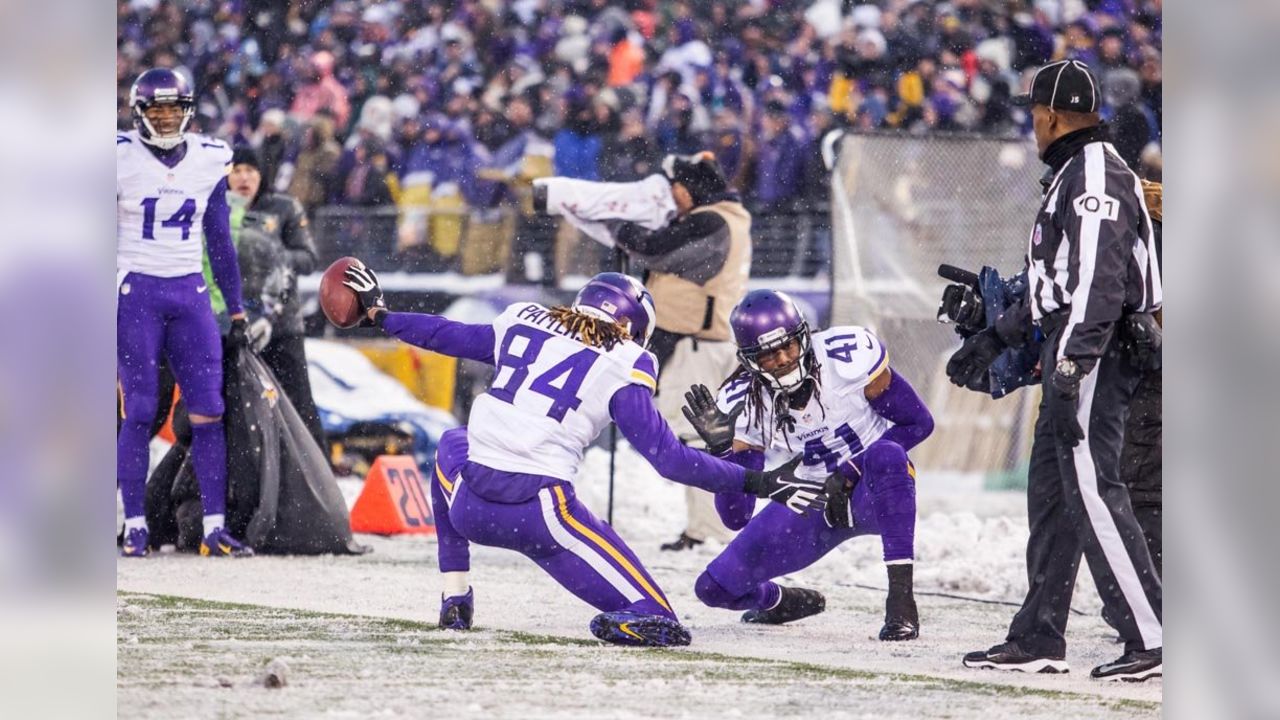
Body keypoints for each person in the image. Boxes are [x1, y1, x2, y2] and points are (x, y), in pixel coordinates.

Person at [338, 266, 829, 646]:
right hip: (540, 515)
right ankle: (661, 613)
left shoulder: (523, 321)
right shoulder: (627, 361)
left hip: (469, 505)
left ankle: (455, 594)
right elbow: (669, 461)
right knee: (658, 617)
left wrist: (380, 315)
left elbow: (445, 334)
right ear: (632, 324)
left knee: (453, 443)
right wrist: (759, 483)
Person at [945, 61, 1162, 681]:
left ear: (1051, 115)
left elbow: (1098, 280)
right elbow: (1055, 285)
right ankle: (1040, 634)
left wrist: (1072, 362)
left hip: (1098, 348)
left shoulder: (1092, 172)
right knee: (1054, 494)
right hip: (1077, 342)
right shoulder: (1073, 171)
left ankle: (1152, 632)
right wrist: (996, 336)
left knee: (1093, 486)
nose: (1030, 123)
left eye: (1033, 113)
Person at [680, 290, 934, 640]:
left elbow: (919, 423)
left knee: (886, 455)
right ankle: (778, 602)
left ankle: (901, 600)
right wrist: (722, 451)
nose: (783, 359)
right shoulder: (745, 400)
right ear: (749, 360)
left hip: (873, 492)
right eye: (768, 355)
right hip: (814, 502)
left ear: (804, 336)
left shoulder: (845, 359)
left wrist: (851, 470)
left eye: (788, 346)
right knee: (714, 588)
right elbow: (735, 516)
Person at [536, 153, 752, 552]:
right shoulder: (730, 218)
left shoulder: (713, 221)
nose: (674, 200)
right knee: (703, 436)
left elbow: (656, 250)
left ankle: (711, 531)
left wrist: (616, 225)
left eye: (677, 190)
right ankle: (709, 527)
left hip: (698, 347)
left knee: (697, 438)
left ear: (690, 188)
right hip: (706, 341)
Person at [116, 68, 252, 557]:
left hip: (189, 293)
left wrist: (235, 309)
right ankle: (134, 524)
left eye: (175, 109)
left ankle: (213, 527)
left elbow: (219, 240)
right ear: (140, 112)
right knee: (140, 409)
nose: (168, 117)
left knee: (209, 410)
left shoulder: (209, 158)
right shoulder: (118, 156)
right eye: (158, 109)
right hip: (136, 293)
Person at [219, 146, 326, 450]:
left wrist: (272, 254)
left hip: (281, 324)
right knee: (236, 403)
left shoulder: (284, 208)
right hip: (233, 326)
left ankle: (320, 471)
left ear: (261, 175)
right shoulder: (216, 209)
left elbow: (308, 258)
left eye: (250, 171)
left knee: (298, 401)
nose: (243, 178)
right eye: (236, 170)